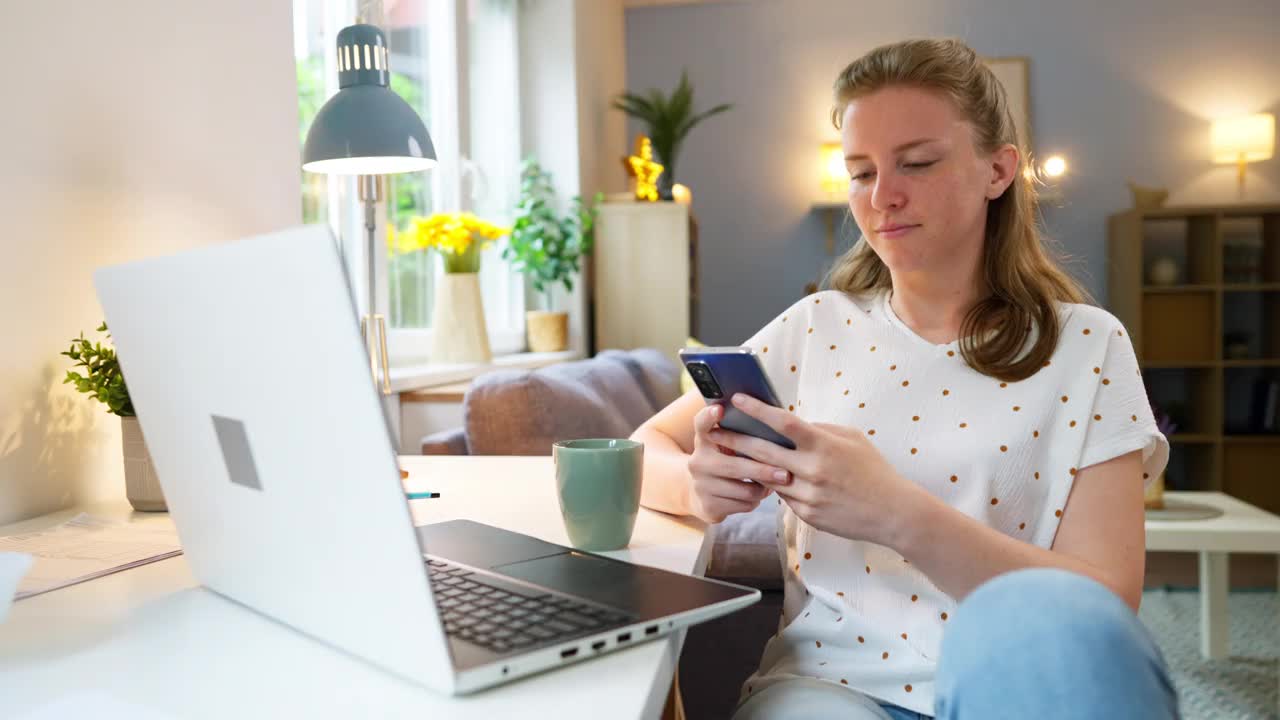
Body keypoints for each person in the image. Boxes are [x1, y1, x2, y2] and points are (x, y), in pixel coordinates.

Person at [631, 38, 1179, 719]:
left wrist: (897, 513)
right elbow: (641, 449)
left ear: (999, 171)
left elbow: (1100, 609)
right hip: (829, 687)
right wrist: (697, 485)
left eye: (917, 163)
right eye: (860, 173)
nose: (884, 197)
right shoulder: (813, 328)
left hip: (1014, 677)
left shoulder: (1088, 348)